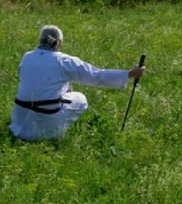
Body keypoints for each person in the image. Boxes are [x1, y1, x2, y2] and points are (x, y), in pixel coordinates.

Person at [10, 24, 145, 141]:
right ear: (60, 42)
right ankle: (57, 131)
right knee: (80, 98)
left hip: (20, 120)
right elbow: (96, 76)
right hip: (47, 118)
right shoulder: (64, 61)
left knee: (61, 90)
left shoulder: (27, 57)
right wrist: (129, 74)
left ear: (40, 40)